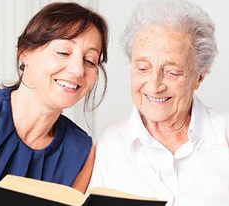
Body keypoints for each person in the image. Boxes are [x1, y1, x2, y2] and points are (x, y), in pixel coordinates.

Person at [90, 0, 229, 205]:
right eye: (143, 68)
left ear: (199, 76)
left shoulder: (224, 133)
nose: (154, 86)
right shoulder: (111, 141)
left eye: (172, 72)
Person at [0, 2, 108, 204]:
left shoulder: (82, 152)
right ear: (25, 54)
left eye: (90, 60)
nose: (78, 70)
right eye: (64, 52)